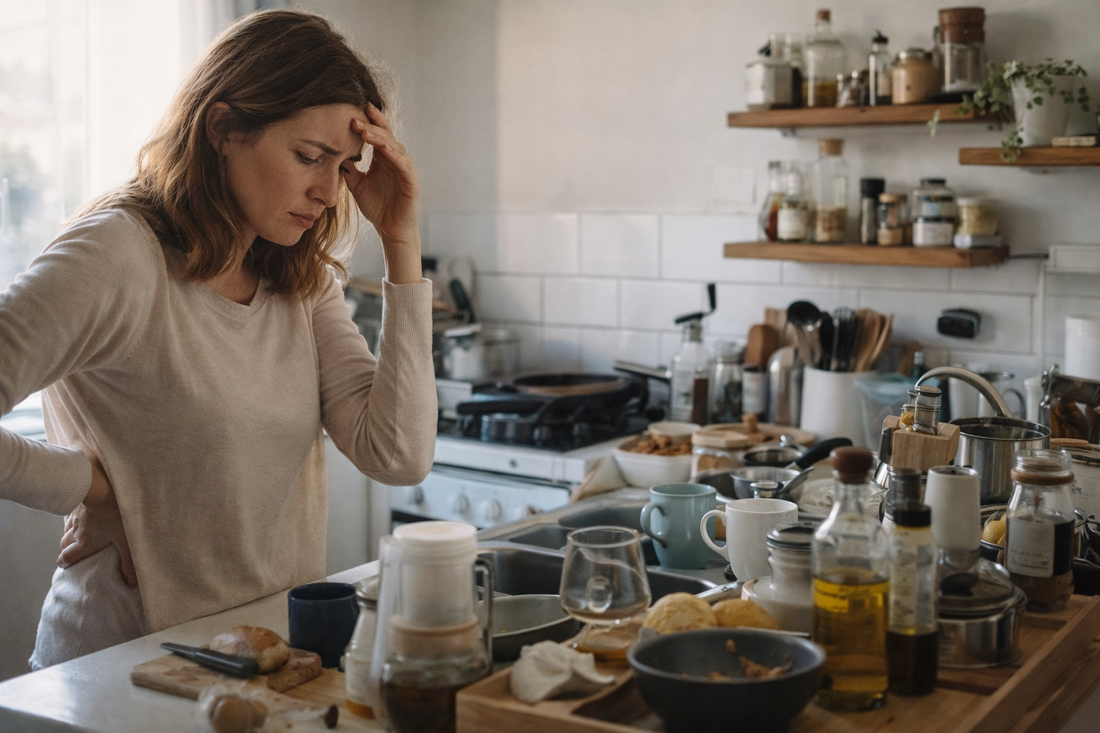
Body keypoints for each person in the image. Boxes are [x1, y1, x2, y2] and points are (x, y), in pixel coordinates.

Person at [0, 9, 437, 669]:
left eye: (344, 165)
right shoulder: (118, 253)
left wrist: (400, 241)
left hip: (262, 661)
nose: (327, 189)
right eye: (309, 156)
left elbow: (397, 454)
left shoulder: (299, 276)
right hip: (118, 674)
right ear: (224, 127)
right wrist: (90, 488)